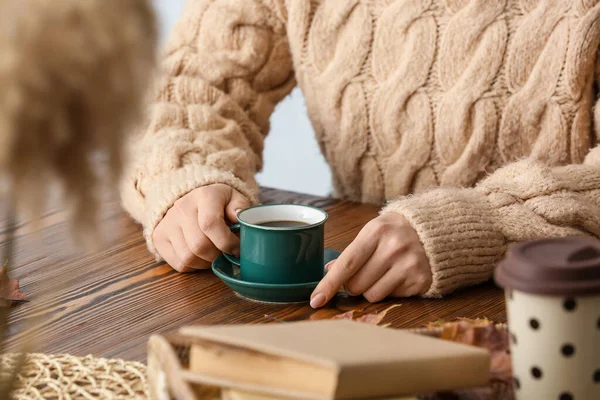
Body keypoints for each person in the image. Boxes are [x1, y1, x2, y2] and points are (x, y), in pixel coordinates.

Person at [121, 0, 600, 309]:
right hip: (347, 312)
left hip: (554, 321)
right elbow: (187, 89)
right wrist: (183, 174)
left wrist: (479, 227)